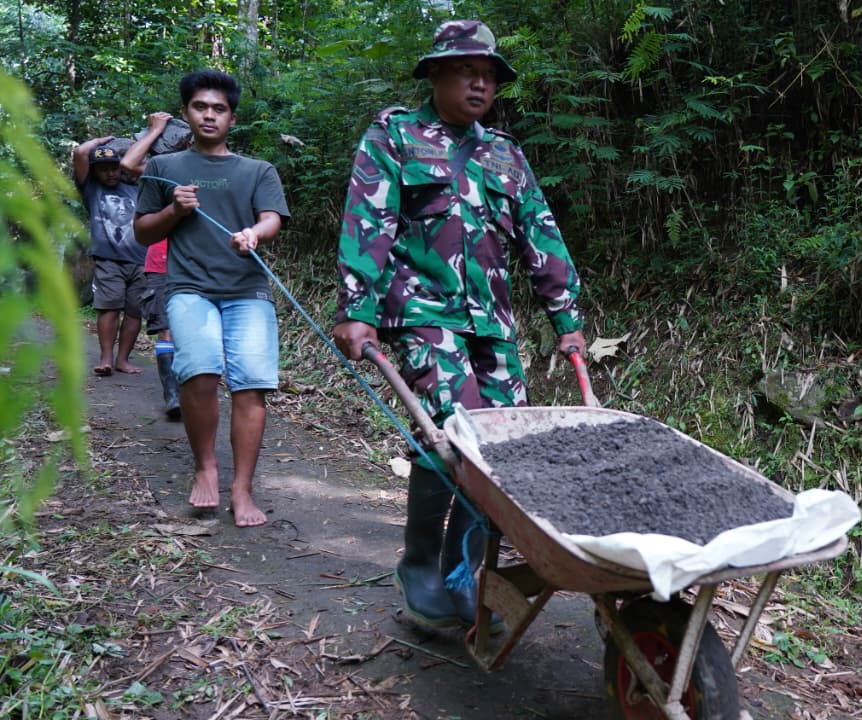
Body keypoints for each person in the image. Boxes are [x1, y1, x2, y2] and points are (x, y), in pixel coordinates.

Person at [331, 19, 587, 631]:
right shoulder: (395, 137)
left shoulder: (506, 153)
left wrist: (566, 318)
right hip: (423, 316)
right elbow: (367, 222)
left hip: (493, 324)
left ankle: (465, 573)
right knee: (452, 435)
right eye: (467, 71)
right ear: (437, 74)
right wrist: (357, 310)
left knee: (505, 445)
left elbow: (540, 235)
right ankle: (419, 567)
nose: (481, 83)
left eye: (490, 75)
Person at [134, 70, 291, 528]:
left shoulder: (257, 170)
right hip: (189, 288)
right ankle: (206, 467)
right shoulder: (164, 169)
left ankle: (242, 489)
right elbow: (143, 230)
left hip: (248, 291)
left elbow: (271, 219)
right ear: (185, 114)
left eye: (218, 109)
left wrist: (253, 234)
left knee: (252, 384)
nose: (209, 115)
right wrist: (173, 210)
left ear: (232, 118)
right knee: (198, 370)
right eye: (200, 107)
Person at [122, 111, 191, 421]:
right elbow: (127, 164)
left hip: (198, 260)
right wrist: (156, 130)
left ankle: (192, 391)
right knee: (166, 330)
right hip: (162, 259)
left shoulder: (200, 165)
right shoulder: (157, 170)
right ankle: (173, 395)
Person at [73, 136, 148, 376]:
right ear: (94, 173)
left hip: (141, 258)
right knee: (109, 307)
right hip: (108, 259)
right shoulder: (91, 189)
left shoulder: (136, 186)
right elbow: (81, 153)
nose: (110, 174)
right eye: (103, 170)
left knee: (135, 311)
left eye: (113, 168)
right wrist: (105, 140)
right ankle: (106, 358)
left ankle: (123, 360)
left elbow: (148, 168)